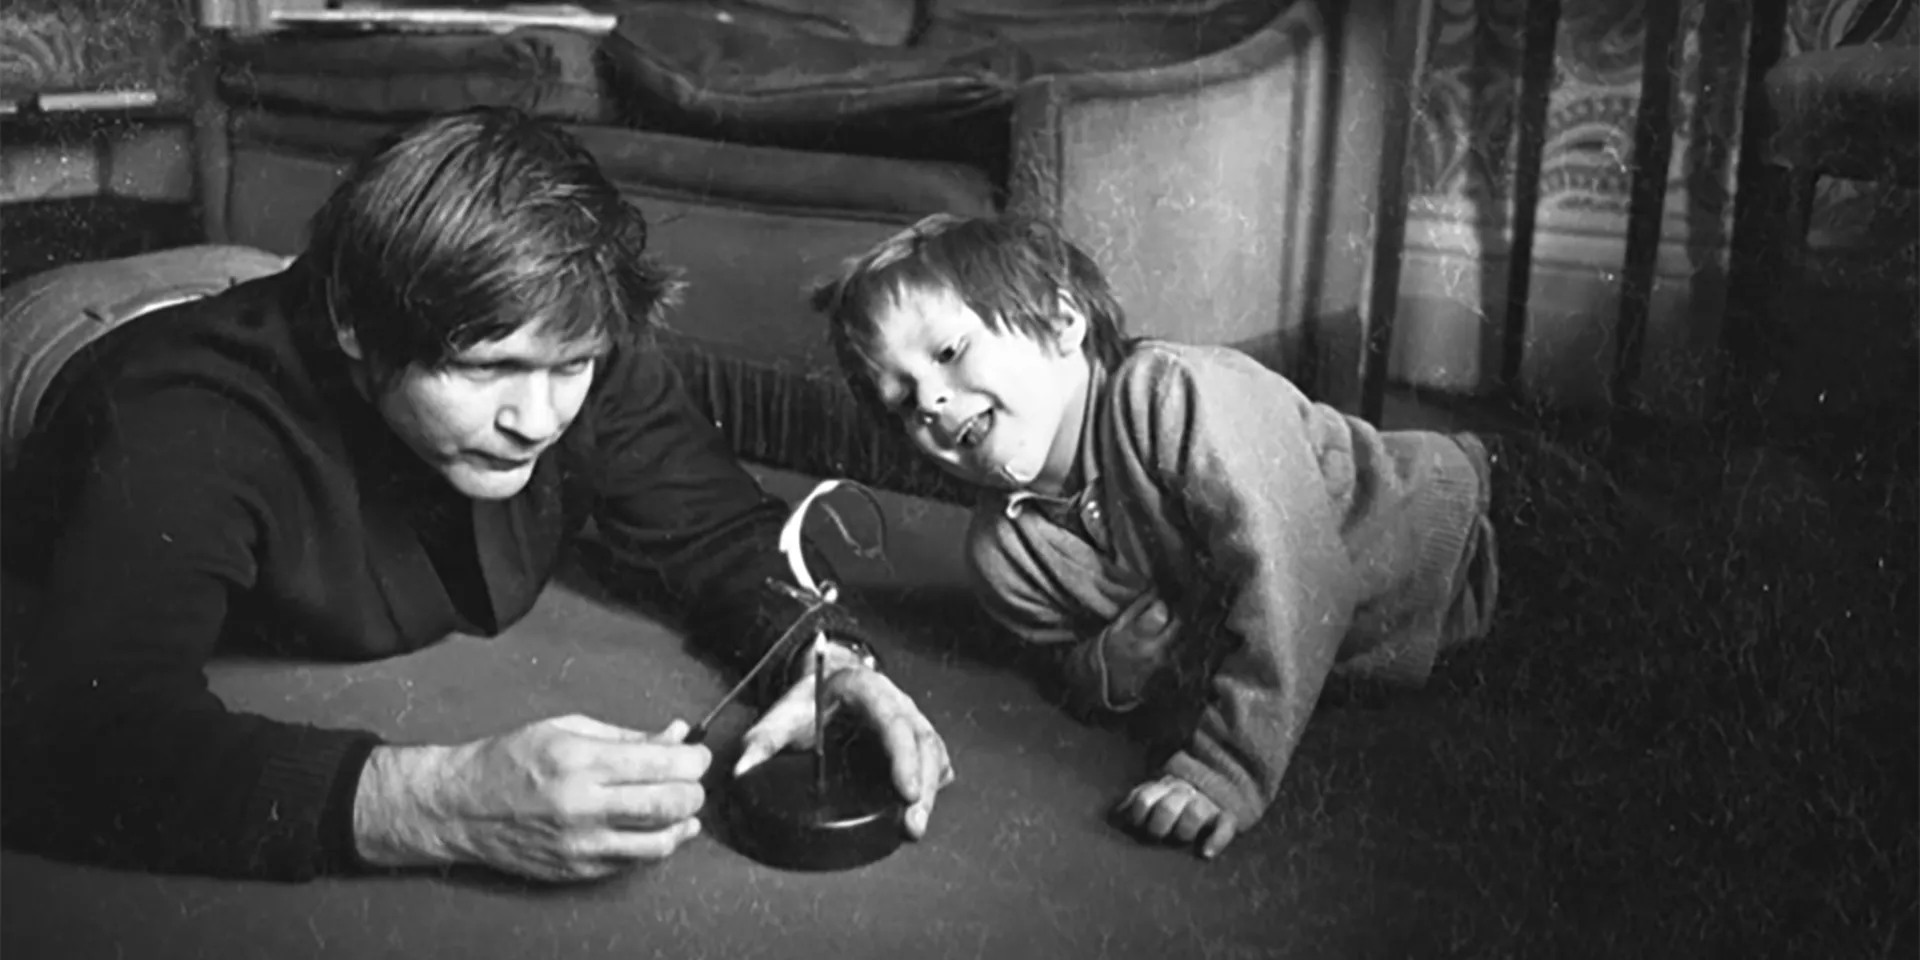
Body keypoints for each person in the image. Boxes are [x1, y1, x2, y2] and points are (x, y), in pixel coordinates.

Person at [0, 107, 952, 883]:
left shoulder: (567, 335)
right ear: (355, 328)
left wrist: (826, 660)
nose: (537, 418)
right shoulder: (182, 421)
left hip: (283, 280)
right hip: (72, 327)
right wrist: (440, 802)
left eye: (568, 366)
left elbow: (718, 526)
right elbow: (67, 737)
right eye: (487, 367)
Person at [811, 213, 1637, 859]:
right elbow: (1066, 665)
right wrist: (1109, 669)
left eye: (950, 351)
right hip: (1431, 648)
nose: (928, 403)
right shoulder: (1005, 556)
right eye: (899, 399)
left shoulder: (1170, 394)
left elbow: (1303, 578)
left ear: (1061, 321)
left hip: (1495, 531)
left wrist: (1224, 771)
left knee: (1706, 620)